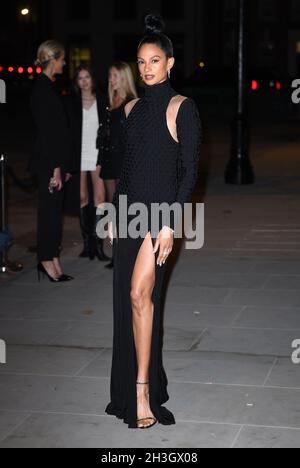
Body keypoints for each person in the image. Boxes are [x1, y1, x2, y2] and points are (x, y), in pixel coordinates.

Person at [105, 14, 202, 429]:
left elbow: (190, 171)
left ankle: (143, 391)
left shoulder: (183, 108)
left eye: (155, 60)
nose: (147, 68)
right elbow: (126, 169)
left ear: (170, 63)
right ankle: (134, 385)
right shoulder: (130, 109)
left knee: (138, 294)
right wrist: (113, 212)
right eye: (142, 61)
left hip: (159, 215)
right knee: (128, 302)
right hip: (128, 212)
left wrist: (169, 225)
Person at [30, 40, 73, 283]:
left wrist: (64, 166)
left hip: (55, 162)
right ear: (52, 59)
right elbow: (48, 133)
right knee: (48, 213)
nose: (64, 63)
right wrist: (57, 169)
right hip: (47, 162)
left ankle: (53, 258)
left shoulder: (50, 86)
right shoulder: (41, 88)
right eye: (62, 58)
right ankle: (45, 259)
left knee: (55, 214)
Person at [64, 66, 110, 262]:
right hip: (78, 155)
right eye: (80, 78)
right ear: (77, 82)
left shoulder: (102, 101)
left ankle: (98, 246)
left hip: (97, 154)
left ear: (93, 79)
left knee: (100, 197)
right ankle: (87, 245)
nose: (84, 81)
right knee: (82, 197)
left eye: (87, 77)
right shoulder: (71, 104)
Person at [96, 62, 138, 269]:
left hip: (124, 160)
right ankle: (117, 252)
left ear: (123, 77)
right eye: (109, 75)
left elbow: (135, 138)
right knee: (112, 206)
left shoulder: (131, 103)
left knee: (124, 205)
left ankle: (127, 251)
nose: (110, 79)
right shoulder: (110, 103)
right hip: (109, 159)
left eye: (114, 75)